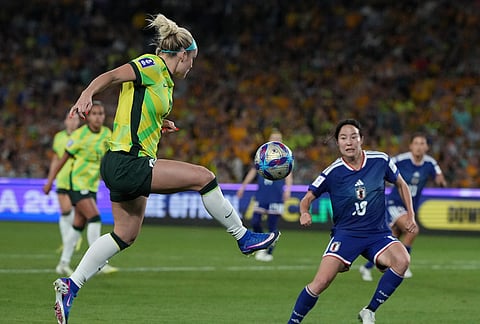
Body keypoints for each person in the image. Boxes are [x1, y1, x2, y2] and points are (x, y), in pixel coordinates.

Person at [52, 13, 280, 324]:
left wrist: (160, 123)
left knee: (125, 234)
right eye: (192, 60)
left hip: (120, 162)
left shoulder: (166, 85)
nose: (192, 67)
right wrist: (87, 93)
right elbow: (113, 76)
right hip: (128, 161)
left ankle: (71, 286)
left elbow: (139, 111)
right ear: (183, 55)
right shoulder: (152, 65)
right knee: (204, 177)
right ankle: (243, 237)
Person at [288, 119, 416, 324]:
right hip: (346, 235)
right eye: (343, 138)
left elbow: (401, 184)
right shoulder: (332, 172)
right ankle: (292, 322)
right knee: (321, 282)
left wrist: (411, 215)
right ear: (338, 143)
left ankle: (370, 311)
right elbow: (307, 199)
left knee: (402, 261)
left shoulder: (381, 160)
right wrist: (304, 212)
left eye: (353, 137)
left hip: (378, 234)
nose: (349, 142)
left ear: (361, 140)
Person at [359, 132, 447, 281]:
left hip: (409, 208)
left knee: (392, 239)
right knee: (413, 230)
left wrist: (441, 181)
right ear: (411, 146)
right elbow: (383, 166)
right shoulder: (401, 160)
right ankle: (403, 265)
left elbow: (440, 178)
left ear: (427, 147)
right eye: (416, 143)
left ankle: (366, 267)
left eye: (422, 144)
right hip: (395, 204)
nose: (419, 147)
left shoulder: (430, 163)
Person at [44, 101, 117, 276]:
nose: (98, 117)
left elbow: (111, 157)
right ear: (88, 117)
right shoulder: (79, 135)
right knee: (95, 217)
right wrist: (50, 181)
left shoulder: (107, 134)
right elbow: (62, 159)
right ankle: (99, 262)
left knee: (78, 224)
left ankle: (63, 263)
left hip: (92, 185)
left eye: (101, 114)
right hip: (77, 185)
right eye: (94, 114)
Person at [236, 129, 293, 262]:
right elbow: (252, 171)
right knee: (255, 221)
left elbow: (289, 174)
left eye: (278, 138)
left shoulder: (285, 157)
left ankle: (269, 252)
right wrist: (243, 186)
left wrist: (288, 190)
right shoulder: (262, 155)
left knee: (272, 224)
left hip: (276, 194)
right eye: (273, 138)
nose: (276, 141)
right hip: (262, 193)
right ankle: (261, 245)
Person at [44, 112, 81, 259]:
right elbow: (55, 160)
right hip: (63, 179)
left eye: (76, 119)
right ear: (66, 121)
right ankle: (70, 241)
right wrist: (49, 180)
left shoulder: (82, 136)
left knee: (78, 214)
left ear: (79, 122)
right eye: (70, 119)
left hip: (78, 180)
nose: (73, 122)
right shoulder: (59, 138)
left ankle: (71, 238)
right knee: (65, 211)